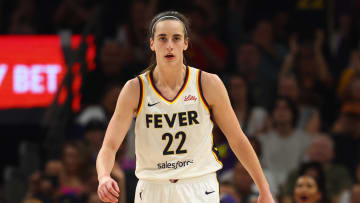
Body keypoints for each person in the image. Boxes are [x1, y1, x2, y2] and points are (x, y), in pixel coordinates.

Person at [96, 10, 274, 203]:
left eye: (176, 38)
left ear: (186, 43)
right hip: (152, 187)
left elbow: (237, 139)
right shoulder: (135, 89)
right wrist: (104, 176)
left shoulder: (207, 83)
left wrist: (263, 188)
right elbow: (109, 146)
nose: (169, 45)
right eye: (162, 38)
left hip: (198, 186)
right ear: (152, 44)